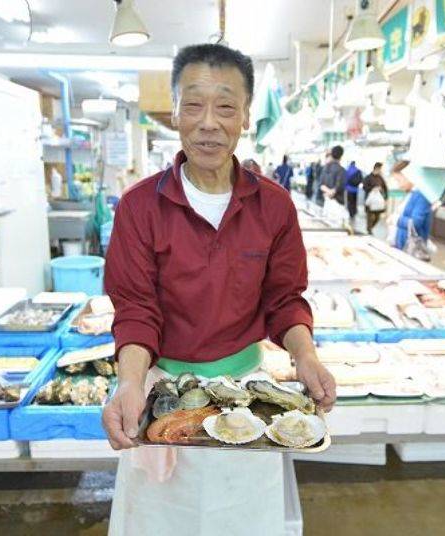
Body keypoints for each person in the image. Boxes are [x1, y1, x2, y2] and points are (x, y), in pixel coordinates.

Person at [102, 43, 336, 535]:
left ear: (246, 116)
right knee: (161, 521)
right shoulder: (139, 207)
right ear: (175, 114)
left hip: (244, 396)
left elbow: (284, 299)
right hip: (161, 391)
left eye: (225, 106)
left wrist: (306, 356)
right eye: (194, 104)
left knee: (242, 520)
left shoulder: (274, 206)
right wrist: (128, 384)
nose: (209, 122)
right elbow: (136, 308)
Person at [395, 175, 432, 251]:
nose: (398, 185)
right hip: (404, 245)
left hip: (413, 247)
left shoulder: (422, 196)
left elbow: (415, 223)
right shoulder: (411, 193)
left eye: (398, 180)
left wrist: (396, 220)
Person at [363, 162, 388, 234]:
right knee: (370, 216)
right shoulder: (368, 178)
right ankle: (369, 230)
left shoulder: (380, 178)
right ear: (377, 168)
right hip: (370, 200)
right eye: (380, 169)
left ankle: (370, 227)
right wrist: (372, 189)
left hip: (379, 201)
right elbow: (364, 187)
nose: (381, 171)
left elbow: (385, 188)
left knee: (377, 217)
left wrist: (386, 197)